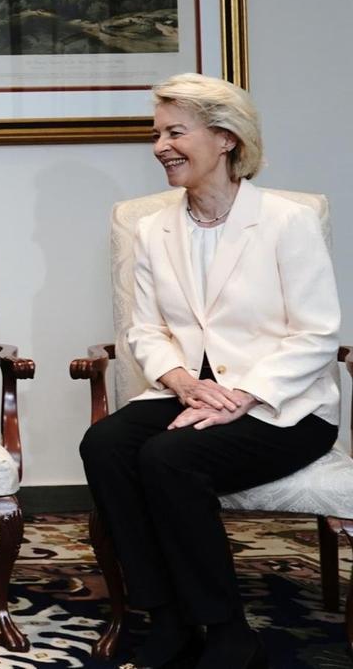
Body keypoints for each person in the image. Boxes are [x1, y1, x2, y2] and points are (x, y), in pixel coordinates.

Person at [79, 74, 340, 669]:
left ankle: (226, 630)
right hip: (187, 394)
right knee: (106, 444)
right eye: (157, 134)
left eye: (176, 132)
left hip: (284, 406)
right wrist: (182, 382)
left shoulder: (285, 221)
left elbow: (318, 332)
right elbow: (145, 328)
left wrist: (241, 394)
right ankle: (165, 616)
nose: (160, 147)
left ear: (224, 139)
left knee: (170, 458)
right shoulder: (153, 229)